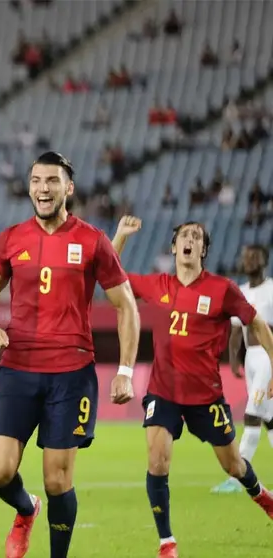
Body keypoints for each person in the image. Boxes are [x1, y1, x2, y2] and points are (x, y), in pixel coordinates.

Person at [0, 151, 140, 558]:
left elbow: (126, 306)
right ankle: (26, 511)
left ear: (69, 188)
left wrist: (126, 370)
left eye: (52, 181)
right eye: (36, 181)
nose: (43, 189)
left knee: (58, 481)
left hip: (71, 372)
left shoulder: (93, 241)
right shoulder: (11, 239)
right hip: (18, 369)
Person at [111, 216, 273, 558]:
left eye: (197, 237)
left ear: (203, 250)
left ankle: (261, 494)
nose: (190, 240)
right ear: (174, 247)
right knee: (157, 462)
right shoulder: (158, 284)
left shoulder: (222, 289)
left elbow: (256, 323)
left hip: (206, 396)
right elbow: (110, 278)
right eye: (184, 235)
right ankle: (166, 542)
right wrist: (121, 237)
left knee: (234, 466)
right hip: (163, 391)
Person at [213, 244, 273, 494]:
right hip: (251, 359)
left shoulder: (271, 289)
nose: (248, 261)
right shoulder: (242, 291)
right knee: (270, 420)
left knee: (252, 415)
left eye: (254, 257)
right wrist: (234, 359)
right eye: (245, 256)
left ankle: (238, 477)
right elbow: (237, 328)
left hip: (268, 360)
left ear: (264, 260)